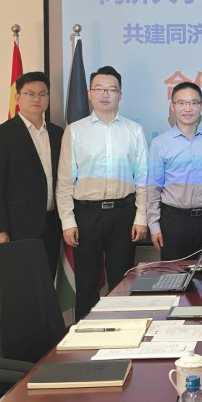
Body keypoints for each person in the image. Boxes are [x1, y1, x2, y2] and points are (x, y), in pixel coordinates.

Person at [56, 66, 148, 320]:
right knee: (86, 284)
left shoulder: (134, 130)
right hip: (87, 215)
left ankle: (124, 332)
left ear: (120, 95)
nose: (105, 95)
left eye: (111, 89)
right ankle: (85, 336)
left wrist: (141, 217)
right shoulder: (75, 130)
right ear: (89, 93)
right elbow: (65, 181)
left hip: (123, 213)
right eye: (99, 89)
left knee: (123, 281)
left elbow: (142, 178)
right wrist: (68, 221)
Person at [0, 71, 63, 277]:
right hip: (18, 227)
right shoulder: (2, 134)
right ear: (17, 98)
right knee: (20, 283)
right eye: (30, 94)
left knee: (46, 283)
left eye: (42, 94)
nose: (37, 99)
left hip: (52, 224)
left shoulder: (57, 134)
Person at [147, 82, 202, 261]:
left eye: (194, 103)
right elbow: (153, 188)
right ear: (173, 106)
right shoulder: (160, 143)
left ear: (201, 106)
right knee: (174, 275)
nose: (188, 108)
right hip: (173, 221)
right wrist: (154, 226)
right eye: (182, 103)